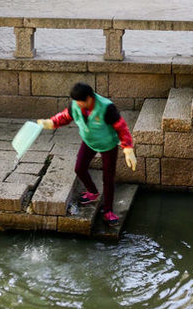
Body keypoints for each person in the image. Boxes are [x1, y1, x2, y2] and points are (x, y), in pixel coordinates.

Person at [38, 82, 137, 225]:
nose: (78, 104)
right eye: (76, 102)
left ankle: (108, 211)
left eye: (81, 101)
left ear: (90, 98)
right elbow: (65, 117)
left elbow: (121, 127)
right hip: (89, 141)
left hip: (108, 144)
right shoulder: (75, 105)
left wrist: (128, 148)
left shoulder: (107, 108)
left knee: (108, 177)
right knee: (79, 168)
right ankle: (92, 192)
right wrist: (51, 122)